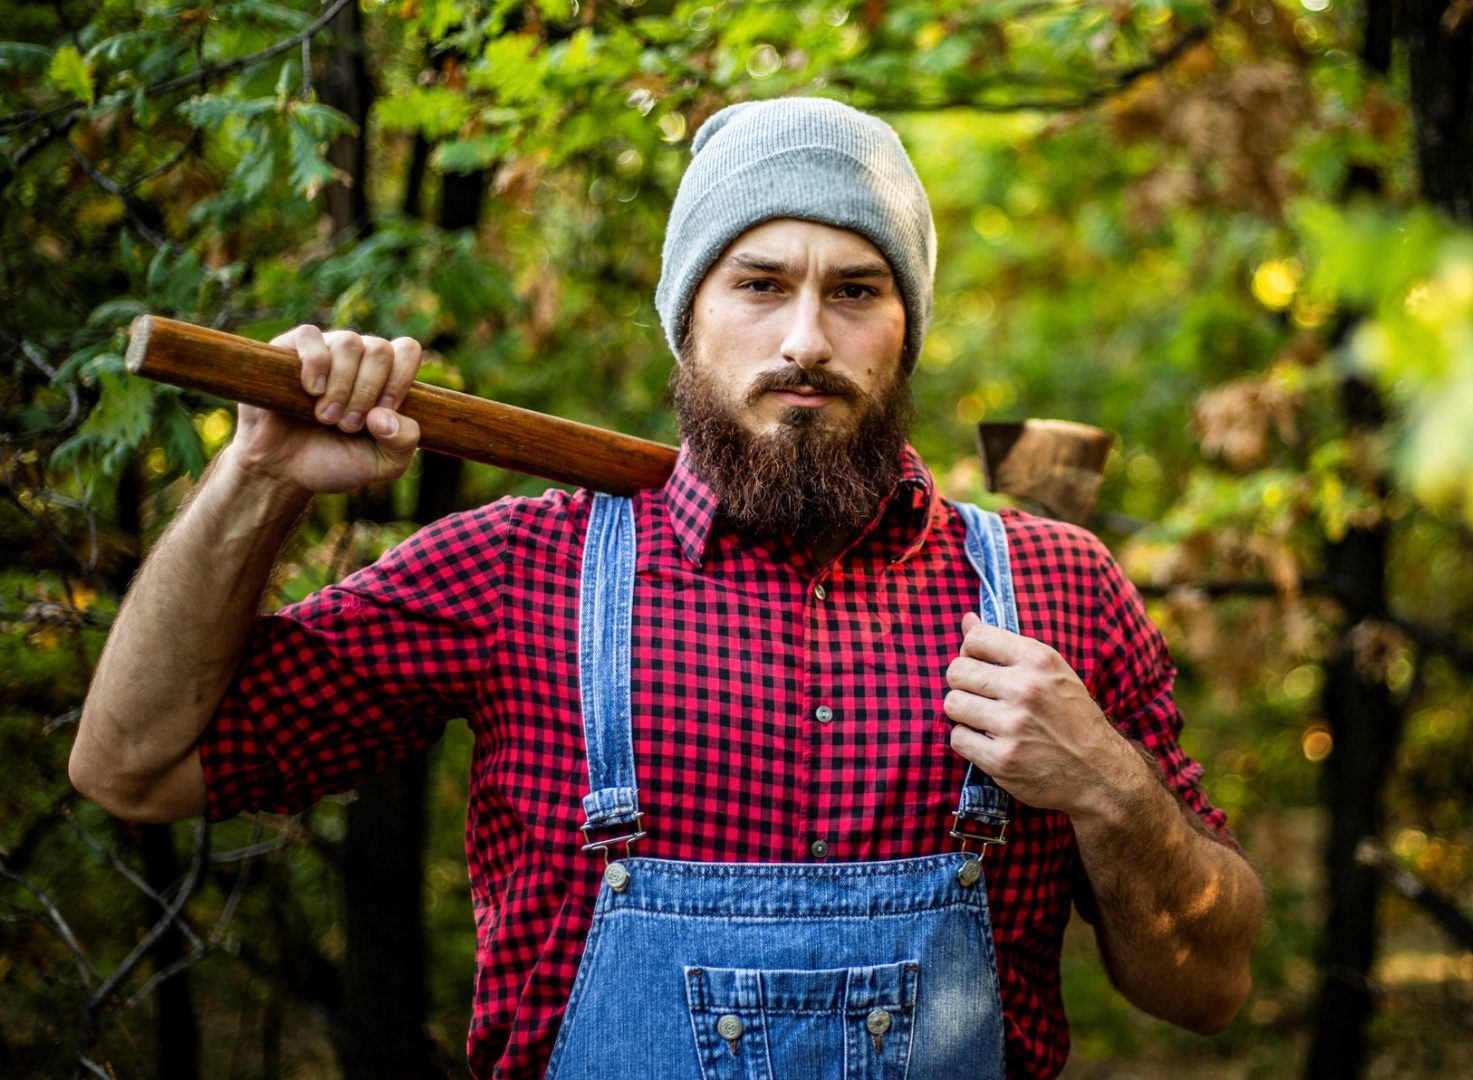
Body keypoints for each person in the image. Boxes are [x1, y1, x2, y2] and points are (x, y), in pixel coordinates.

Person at [70, 97, 1262, 1078]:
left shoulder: (1055, 589)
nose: (806, 337)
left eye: (856, 290)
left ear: (907, 330)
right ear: (685, 321)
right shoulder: (516, 572)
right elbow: (133, 765)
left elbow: (1206, 986)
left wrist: (1111, 786)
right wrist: (258, 482)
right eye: (758, 283)